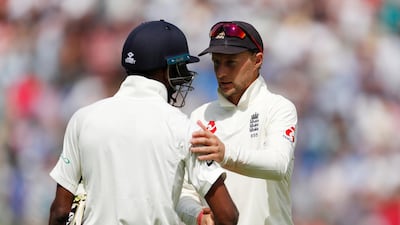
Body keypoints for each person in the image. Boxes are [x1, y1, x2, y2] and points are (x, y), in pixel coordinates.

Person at [48, 19, 239, 225]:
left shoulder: (82, 119)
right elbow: (228, 216)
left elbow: (60, 211)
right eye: (180, 67)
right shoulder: (184, 128)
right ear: (167, 70)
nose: (183, 77)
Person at [176, 21, 298, 225]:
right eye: (217, 63)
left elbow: (278, 164)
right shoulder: (200, 116)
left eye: (231, 63)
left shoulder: (278, 108)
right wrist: (197, 215)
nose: (221, 73)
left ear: (257, 60)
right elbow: (183, 190)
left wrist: (225, 154)